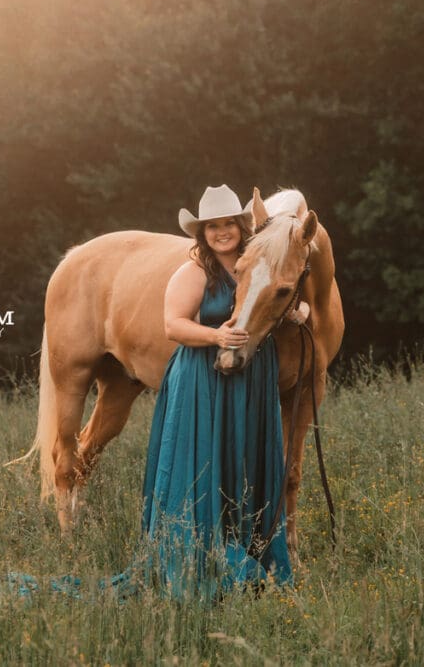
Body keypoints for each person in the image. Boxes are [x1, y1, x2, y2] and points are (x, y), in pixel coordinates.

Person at [138, 184, 308, 600]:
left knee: (243, 459)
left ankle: (253, 550)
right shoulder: (195, 271)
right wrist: (216, 337)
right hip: (202, 379)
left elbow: (270, 299)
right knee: (205, 462)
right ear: (203, 233)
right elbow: (172, 326)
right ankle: (203, 557)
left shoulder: (257, 260)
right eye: (211, 227)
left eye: (227, 224)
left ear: (240, 225)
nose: (220, 233)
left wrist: (296, 312)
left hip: (249, 380)